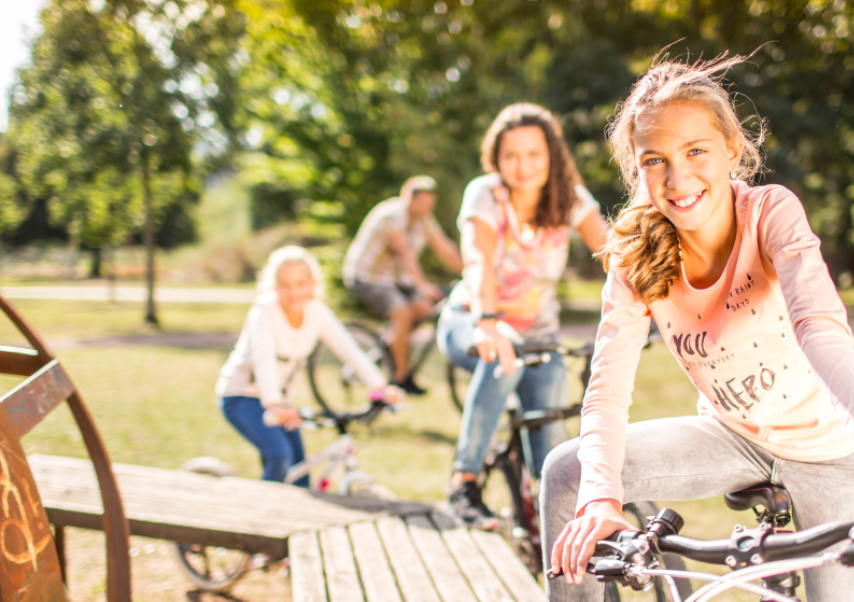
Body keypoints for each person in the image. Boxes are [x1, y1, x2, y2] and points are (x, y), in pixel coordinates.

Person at [543, 55, 854, 601]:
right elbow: (606, 388)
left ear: (732, 148)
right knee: (569, 472)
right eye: (655, 160)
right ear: (636, 168)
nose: (678, 179)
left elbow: (820, 330)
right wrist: (601, 498)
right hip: (731, 436)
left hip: (827, 451)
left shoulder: (770, 212)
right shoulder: (634, 256)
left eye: (696, 151)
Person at [437, 103, 608, 528]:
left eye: (534, 154)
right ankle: (465, 481)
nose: (523, 166)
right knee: (505, 357)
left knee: (549, 437)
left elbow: (614, 256)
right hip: (472, 319)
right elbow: (478, 261)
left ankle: (547, 519)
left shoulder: (571, 198)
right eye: (511, 155)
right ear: (496, 158)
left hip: (540, 334)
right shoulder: (485, 194)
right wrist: (489, 322)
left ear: (552, 155)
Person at [217, 245, 404, 486]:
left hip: (280, 404)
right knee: (279, 456)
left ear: (313, 284)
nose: (293, 292)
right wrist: (274, 403)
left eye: (301, 283)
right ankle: (256, 518)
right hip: (241, 396)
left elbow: (349, 350)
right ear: (273, 286)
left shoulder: (316, 311)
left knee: (300, 473)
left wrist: (380, 386)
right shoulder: (264, 310)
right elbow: (262, 358)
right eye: (284, 284)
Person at [344, 175, 463, 395]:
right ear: (410, 198)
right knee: (402, 312)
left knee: (424, 308)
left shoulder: (424, 219)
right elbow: (405, 254)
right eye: (424, 203)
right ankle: (399, 378)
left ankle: (392, 345)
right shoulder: (391, 215)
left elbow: (444, 247)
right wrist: (423, 285)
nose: (428, 208)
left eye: (431, 204)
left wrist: (470, 272)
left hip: (394, 279)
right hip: (367, 276)